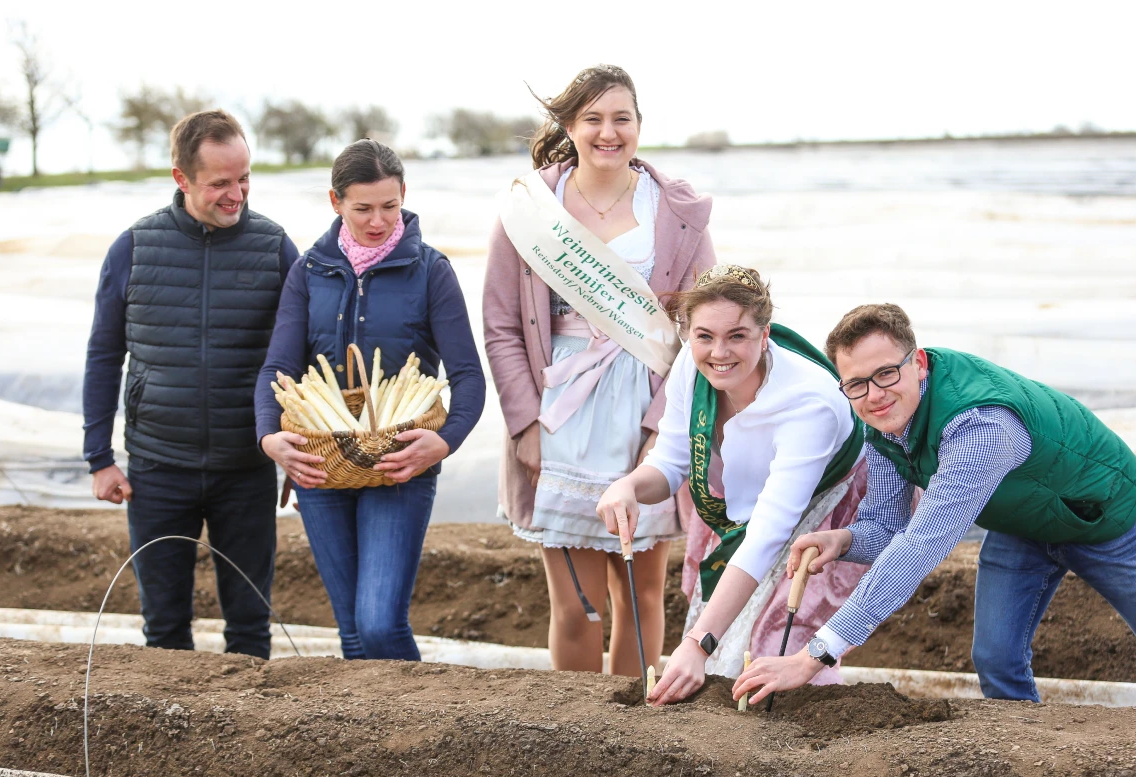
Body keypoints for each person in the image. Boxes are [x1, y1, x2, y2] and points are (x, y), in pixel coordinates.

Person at [734, 303, 1136, 703]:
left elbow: (921, 546)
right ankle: (1026, 766)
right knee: (996, 659)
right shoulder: (885, 424)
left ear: (919, 364)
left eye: (886, 373)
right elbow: (887, 527)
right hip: (1021, 523)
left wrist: (815, 654)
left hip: (1102, 514)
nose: (873, 395)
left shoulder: (979, 425)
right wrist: (843, 540)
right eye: (856, 384)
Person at [484, 64, 715, 675]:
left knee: (640, 595)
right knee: (577, 606)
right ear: (568, 125)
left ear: (640, 125)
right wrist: (523, 424)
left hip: (647, 408)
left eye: (622, 118)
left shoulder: (677, 210)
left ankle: (631, 731)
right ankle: (577, 737)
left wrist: (662, 430)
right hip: (560, 413)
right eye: (593, 119)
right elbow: (502, 325)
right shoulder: (531, 208)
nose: (608, 132)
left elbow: (703, 330)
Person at [596, 265, 870, 704]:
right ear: (688, 333)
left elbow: (767, 535)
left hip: (826, 501)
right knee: (722, 638)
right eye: (704, 336)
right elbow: (669, 462)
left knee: (777, 639)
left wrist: (695, 645)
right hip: (740, 492)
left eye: (737, 336)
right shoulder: (691, 362)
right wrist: (628, 486)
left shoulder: (810, 404)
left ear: (765, 335)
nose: (719, 352)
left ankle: (806, 745)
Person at [255, 139, 485, 661]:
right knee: (352, 632)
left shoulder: (431, 270)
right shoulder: (309, 269)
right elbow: (277, 368)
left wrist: (442, 443)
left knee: (379, 624)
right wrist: (271, 437)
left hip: (399, 463)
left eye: (389, 205)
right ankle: (381, 739)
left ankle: (420, 727)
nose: (378, 221)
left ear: (404, 194)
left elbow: (468, 376)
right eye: (362, 208)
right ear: (334, 202)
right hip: (321, 466)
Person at [83, 110, 299, 659]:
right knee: (163, 632)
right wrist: (98, 458)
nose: (237, 194)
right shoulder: (133, 248)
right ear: (181, 179)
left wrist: (303, 443)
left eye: (245, 177)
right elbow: (104, 354)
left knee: (251, 630)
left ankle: (249, 741)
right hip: (158, 468)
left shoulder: (275, 248)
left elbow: (300, 358)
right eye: (220, 183)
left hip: (245, 468)